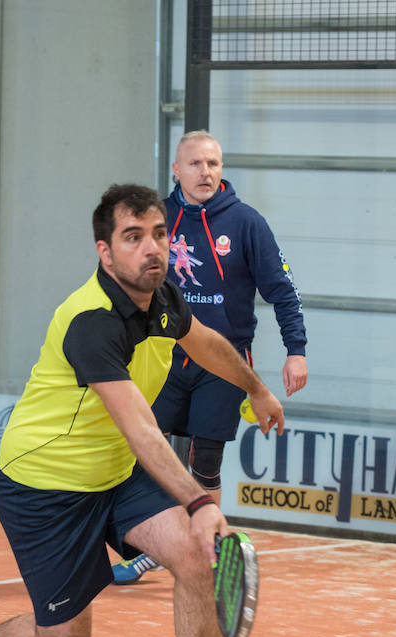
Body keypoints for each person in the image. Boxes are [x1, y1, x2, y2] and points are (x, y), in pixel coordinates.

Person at [0, 183, 284, 637]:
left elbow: (204, 344)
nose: (150, 248)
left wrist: (255, 387)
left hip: (115, 471)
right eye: (133, 237)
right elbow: (141, 429)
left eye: (158, 234)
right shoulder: (91, 321)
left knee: (195, 557)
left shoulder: (162, 299)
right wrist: (201, 503)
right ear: (106, 252)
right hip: (44, 485)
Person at [112, 131, 307, 585]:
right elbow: (126, 280)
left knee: (205, 463)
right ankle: (157, 546)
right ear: (176, 170)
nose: (206, 172)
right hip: (163, 357)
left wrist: (296, 351)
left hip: (223, 361)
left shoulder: (246, 223)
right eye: (196, 164)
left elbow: (283, 291)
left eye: (214, 164)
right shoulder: (156, 220)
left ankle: (206, 554)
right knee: (146, 452)